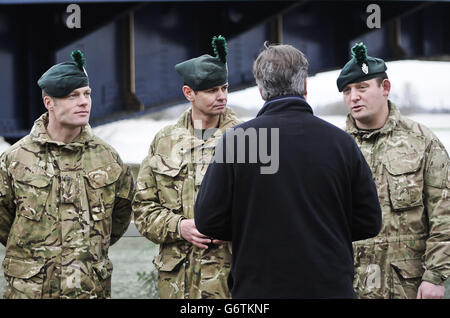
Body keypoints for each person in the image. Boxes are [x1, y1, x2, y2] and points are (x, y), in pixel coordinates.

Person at [194, 43, 382, 298]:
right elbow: (369, 222)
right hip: (330, 289)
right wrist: (326, 227)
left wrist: (249, 225)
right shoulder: (341, 143)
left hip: (259, 290)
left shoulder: (238, 141)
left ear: (261, 90)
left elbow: (209, 220)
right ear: (305, 85)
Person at [0, 50, 134, 299]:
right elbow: (4, 222)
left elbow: (119, 218)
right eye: (72, 96)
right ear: (49, 102)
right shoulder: (15, 159)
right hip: (31, 291)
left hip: (89, 288)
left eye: (87, 94)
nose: (84, 102)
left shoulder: (108, 158)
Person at [337, 42, 450, 299]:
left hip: (406, 285)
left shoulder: (422, 141)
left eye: (362, 87)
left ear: (385, 88)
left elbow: (444, 213)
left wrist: (435, 276)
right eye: (347, 90)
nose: (353, 97)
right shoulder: (335, 147)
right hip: (350, 284)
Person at [132, 36, 241, 299]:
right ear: (189, 93)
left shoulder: (249, 137)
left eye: (224, 88)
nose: (222, 96)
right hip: (177, 284)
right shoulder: (165, 140)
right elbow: (143, 207)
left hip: (230, 282)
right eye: (212, 90)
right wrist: (179, 226)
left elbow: (271, 207)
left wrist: (233, 228)